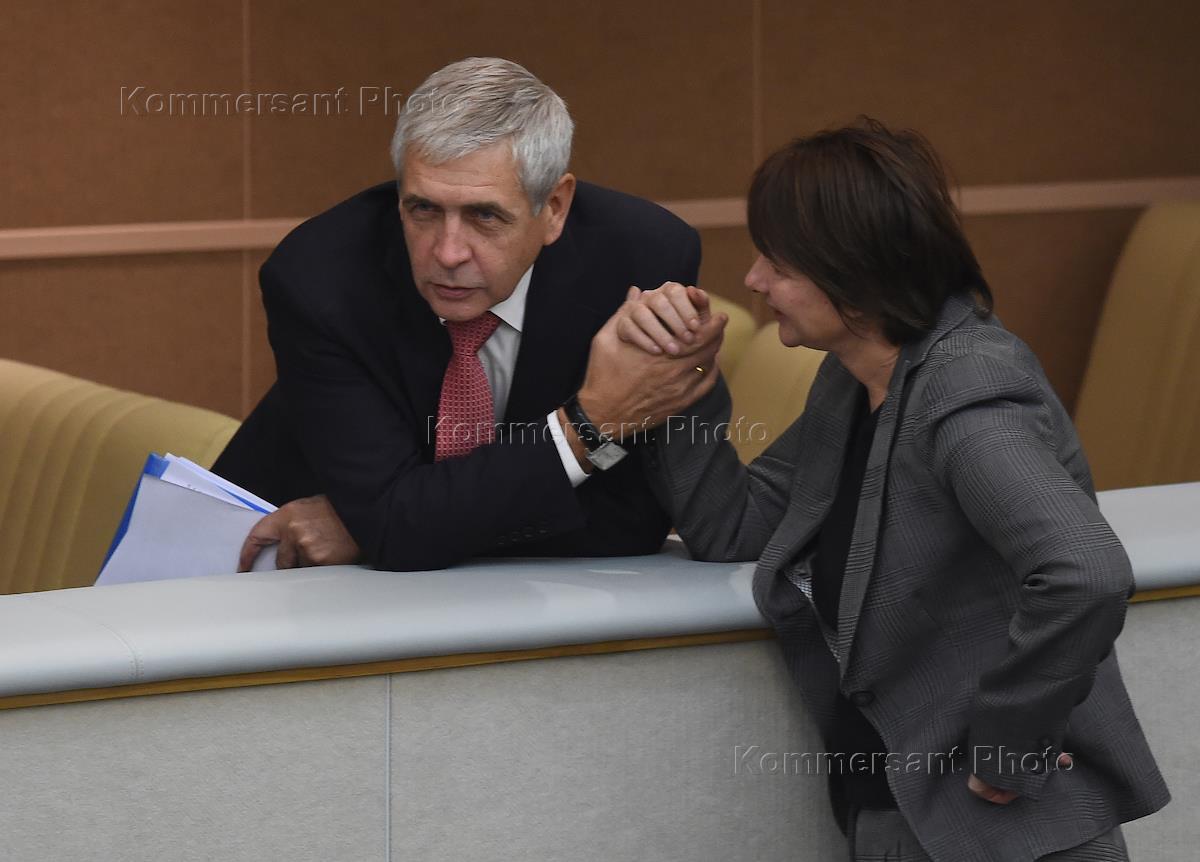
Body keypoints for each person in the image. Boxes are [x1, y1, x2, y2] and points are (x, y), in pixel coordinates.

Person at [575, 119, 1169, 860]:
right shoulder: (853, 383)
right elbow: (739, 526)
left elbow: (1087, 570)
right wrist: (681, 378)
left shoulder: (966, 396)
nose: (753, 281)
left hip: (1007, 836)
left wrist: (1011, 744)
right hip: (899, 819)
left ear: (852, 270)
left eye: (777, 262)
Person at [213, 57, 720, 572]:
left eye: (484, 216)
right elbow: (393, 522)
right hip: (280, 575)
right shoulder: (320, 279)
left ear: (555, 208)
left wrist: (394, 526)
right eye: (423, 209)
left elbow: (630, 517)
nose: (448, 253)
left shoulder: (640, 258)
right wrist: (588, 429)